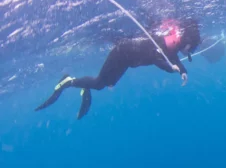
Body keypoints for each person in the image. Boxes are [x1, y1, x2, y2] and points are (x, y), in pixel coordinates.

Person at [35, 18, 201, 119]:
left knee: (105, 84)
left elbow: (172, 57)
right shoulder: (165, 42)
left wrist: (183, 70)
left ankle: (84, 87)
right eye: (191, 48)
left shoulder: (172, 46)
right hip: (122, 53)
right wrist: (171, 69)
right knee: (101, 83)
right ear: (187, 42)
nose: (191, 51)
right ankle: (68, 81)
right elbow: (157, 58)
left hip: (127, 59)